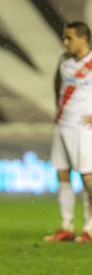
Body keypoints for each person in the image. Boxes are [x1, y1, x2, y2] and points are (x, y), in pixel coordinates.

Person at [44, 22, 92, 242]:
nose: (65, 42)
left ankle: (90, 229)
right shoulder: (64, 59)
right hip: (62, 124)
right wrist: (58, 105)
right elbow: (57, 82)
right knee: (62, 173)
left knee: (88, 178)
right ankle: (67, 227)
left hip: (83, 128)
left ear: (83, 38)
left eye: (69, 38)